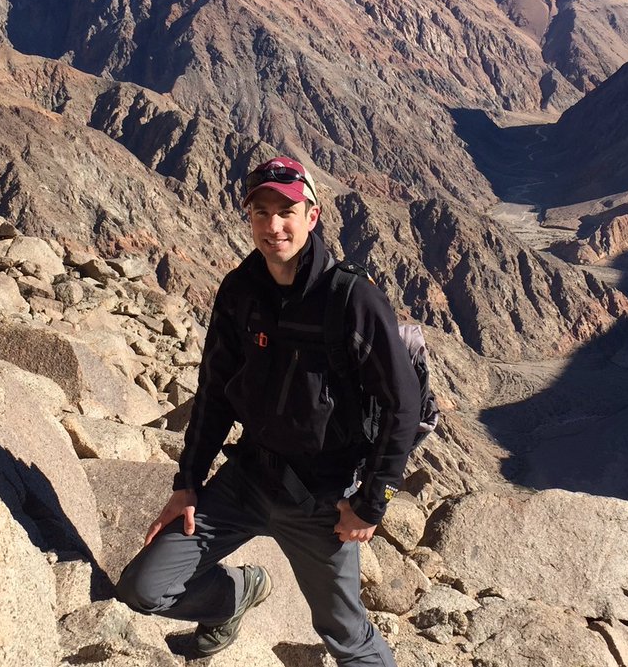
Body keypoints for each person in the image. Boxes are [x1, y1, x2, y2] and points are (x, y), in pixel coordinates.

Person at [116, 156, 420, 666]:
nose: (273, 225)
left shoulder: (351, 298)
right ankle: (235, 596)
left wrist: (370, 503)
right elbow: (214, 390)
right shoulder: (241, 291)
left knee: (346, 636)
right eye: (260, 212)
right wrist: (187, 481)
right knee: (144, 589)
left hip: (321, 502)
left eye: (287, 211)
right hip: (248, 480)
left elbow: (402, 403)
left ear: (312, 216)